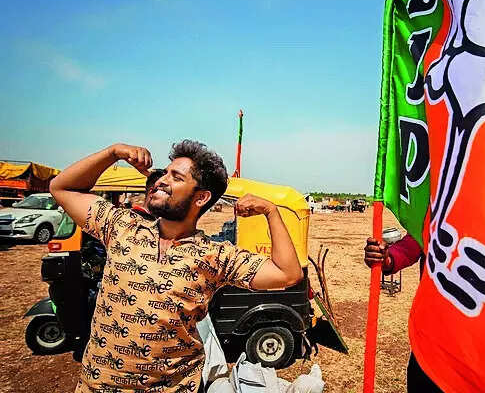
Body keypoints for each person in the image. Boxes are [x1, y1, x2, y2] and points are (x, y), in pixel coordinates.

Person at [51, 140, 303, 393]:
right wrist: (112, 153)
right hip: (98, 386)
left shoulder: (215, 256)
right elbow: (61, 188)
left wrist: (271, 212)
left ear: (201, 197)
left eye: (176, 177)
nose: (162, 180)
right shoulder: (122, 226)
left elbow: (288, 273)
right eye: (165, 173)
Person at [364, 234, 443, 393]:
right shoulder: (436, 221)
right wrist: (385, 258)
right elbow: (407, 249)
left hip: (483, 347)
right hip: (432, 341)